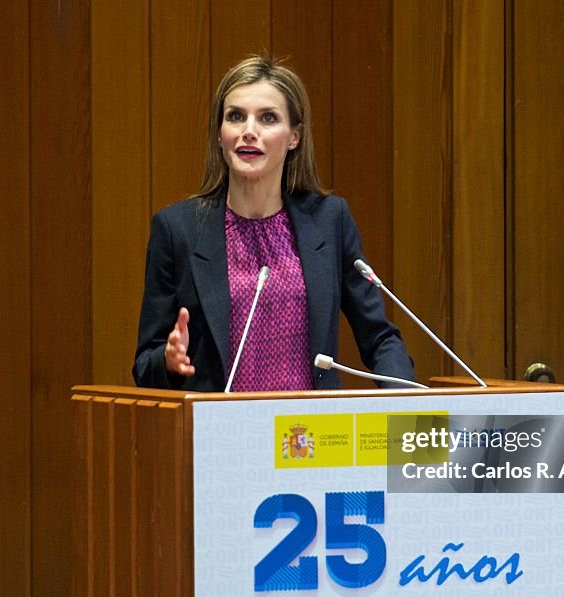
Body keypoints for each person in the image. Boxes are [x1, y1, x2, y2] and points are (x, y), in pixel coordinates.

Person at [133, 55, 414, 391]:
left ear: (294, 136)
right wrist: (168, 360)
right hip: (220, 435)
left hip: (312, 437)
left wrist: (405, 405)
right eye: (236, 117)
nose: (249, 131)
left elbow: (380, 337)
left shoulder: (329, 221)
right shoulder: (178, 230)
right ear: (220, 133)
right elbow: (144, 364)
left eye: (267, 118)